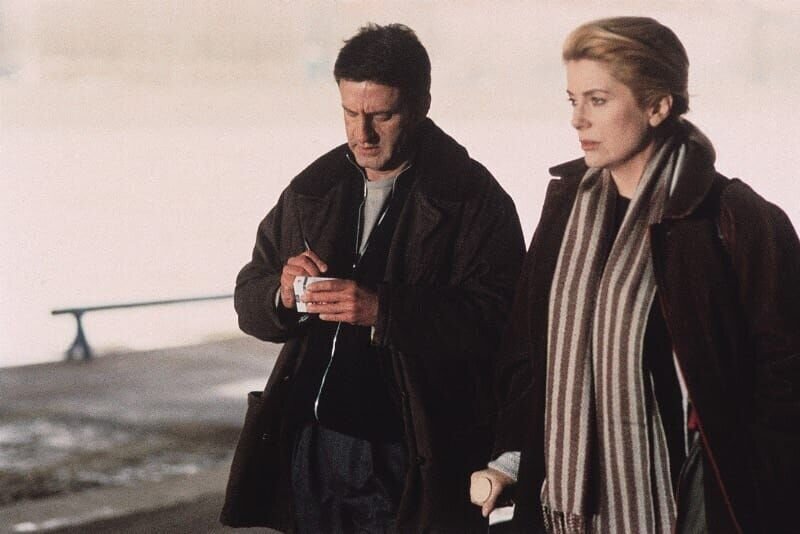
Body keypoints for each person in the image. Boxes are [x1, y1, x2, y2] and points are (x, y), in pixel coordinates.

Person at [471, 16, 800, 534]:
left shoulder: (734, 218)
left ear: (657, 106)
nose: (578, 119)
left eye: (598, 100)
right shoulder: (565, 209)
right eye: (572, 100)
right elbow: (528, 354)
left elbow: (784, 383)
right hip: (565, 505)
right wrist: (510, 458)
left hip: (690, 508)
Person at [220, 23, 525, 533]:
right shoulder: (313, 187)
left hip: (409, 451)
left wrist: (386, 311)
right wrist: (281, 292)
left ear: (422, 105)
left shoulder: (473, 199)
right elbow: (249, 292)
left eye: (382, 116)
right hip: (311, 443)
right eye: (349, 113)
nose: (362, 134)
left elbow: (504, 324)